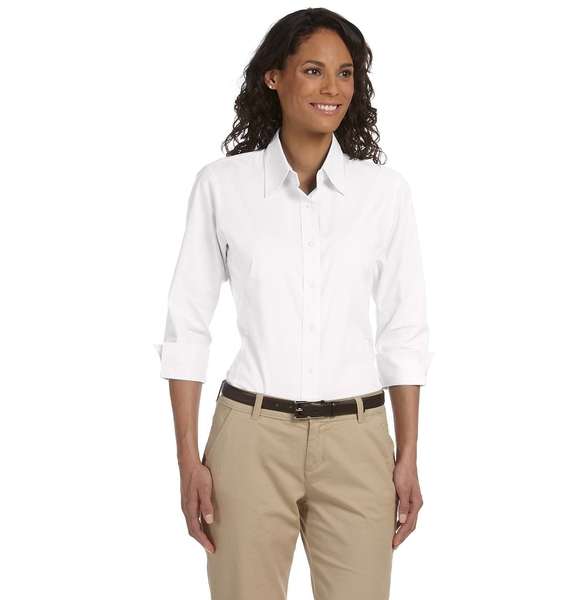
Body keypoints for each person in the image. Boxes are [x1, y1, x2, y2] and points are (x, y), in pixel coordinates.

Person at [154, 8, 433, 600]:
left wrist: (408, 454)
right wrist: (187, 460)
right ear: (274, 78)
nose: (332, 87)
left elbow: (404, 330)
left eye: (345, 73)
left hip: (359, 442)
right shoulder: (222, 186)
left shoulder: (384, 194)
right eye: (313, 70)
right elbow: (187, 329)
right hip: (249, 441)